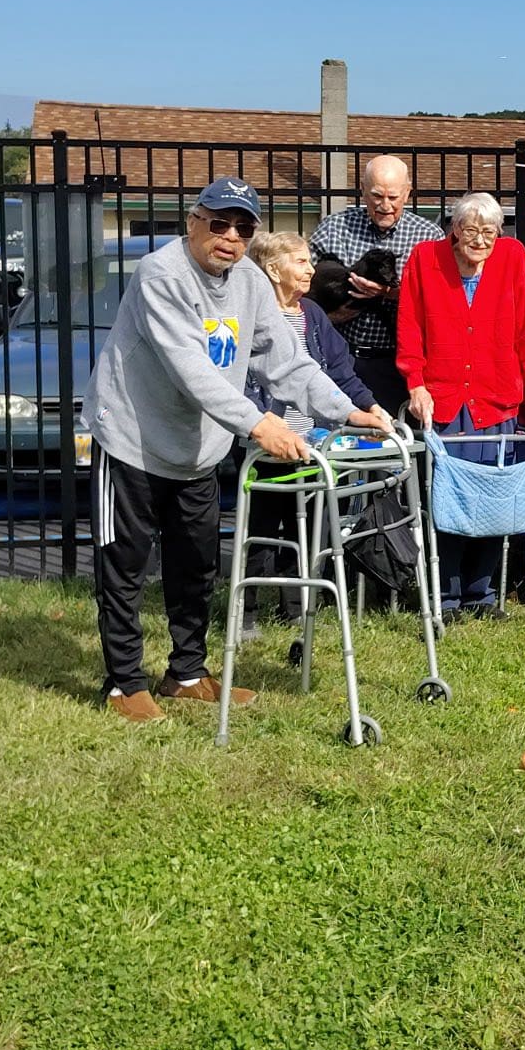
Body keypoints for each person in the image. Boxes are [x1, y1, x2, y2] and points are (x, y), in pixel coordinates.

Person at [82, 178, 390, 722]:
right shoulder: (161, 274)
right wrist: (259, 424)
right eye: (219, 223)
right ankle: (123, 683)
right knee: (125, 565)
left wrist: (349, 411)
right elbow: (191, 371)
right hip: (132, 436)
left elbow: (288, 362)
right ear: (192, 222)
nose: (229, 237)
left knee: (197, 565)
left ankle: (187, 672)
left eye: (243, 228)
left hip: (197, 447)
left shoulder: (248, 282)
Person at [398, 192, 525, 612]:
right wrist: (416, 382)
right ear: (454, 230)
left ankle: (481, 594)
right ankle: (445, 594)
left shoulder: (513, 256)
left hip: (497, 395)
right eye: (470, 231)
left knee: (492, 497)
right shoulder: (424, 259)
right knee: (449, 497)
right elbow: (409, 324)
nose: (480, 241)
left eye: (488, 232)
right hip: (444, 397)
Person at [238, 229, 378, 632]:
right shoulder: (252, 316)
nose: (311, 270)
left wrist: (367, 407)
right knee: (261, 531)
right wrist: (265, 422)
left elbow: (339, 372)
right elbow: (243, 378)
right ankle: (245, 612)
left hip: (314, 443)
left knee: (309, 526)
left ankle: (298, 608)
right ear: (272, 268)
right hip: (266, 445)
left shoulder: (312, 315)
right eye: (300, 261)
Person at [309, 154, 445, 414]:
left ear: (407, 193)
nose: (385, 205)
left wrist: (390, 294)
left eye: (393, 197)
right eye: (376, 196)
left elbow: (439, 302)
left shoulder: (429, 237)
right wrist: (331, 316)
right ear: (362, 191)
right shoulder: (332, 229)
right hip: (340, 357)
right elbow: (299, 292)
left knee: (398, 443)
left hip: (398, 363)